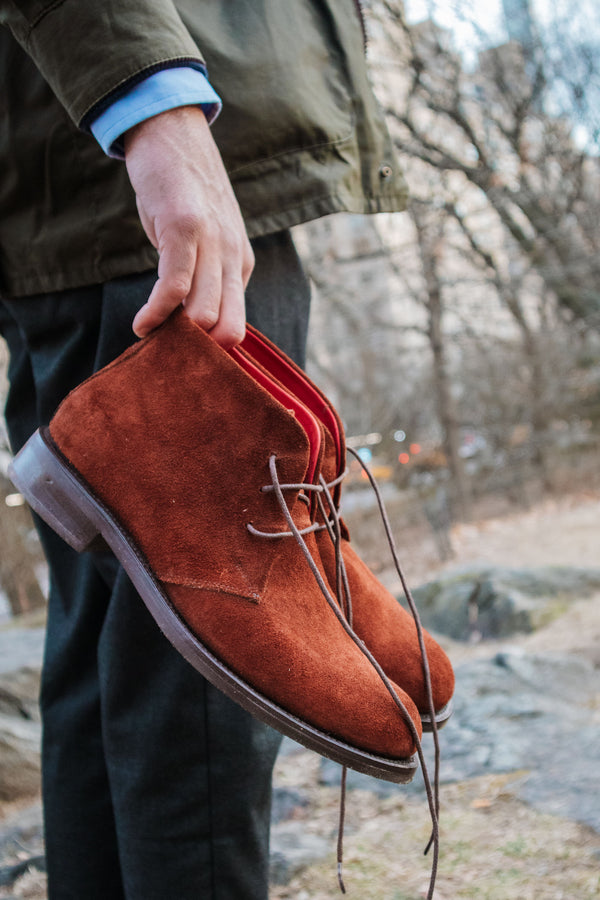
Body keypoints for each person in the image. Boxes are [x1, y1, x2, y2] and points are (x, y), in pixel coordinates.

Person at [0, 3, 410, 898]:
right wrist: (154, 110)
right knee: (196, 670)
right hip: (136, 158)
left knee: (104, 643)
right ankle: (284, 547)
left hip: (64, 178)